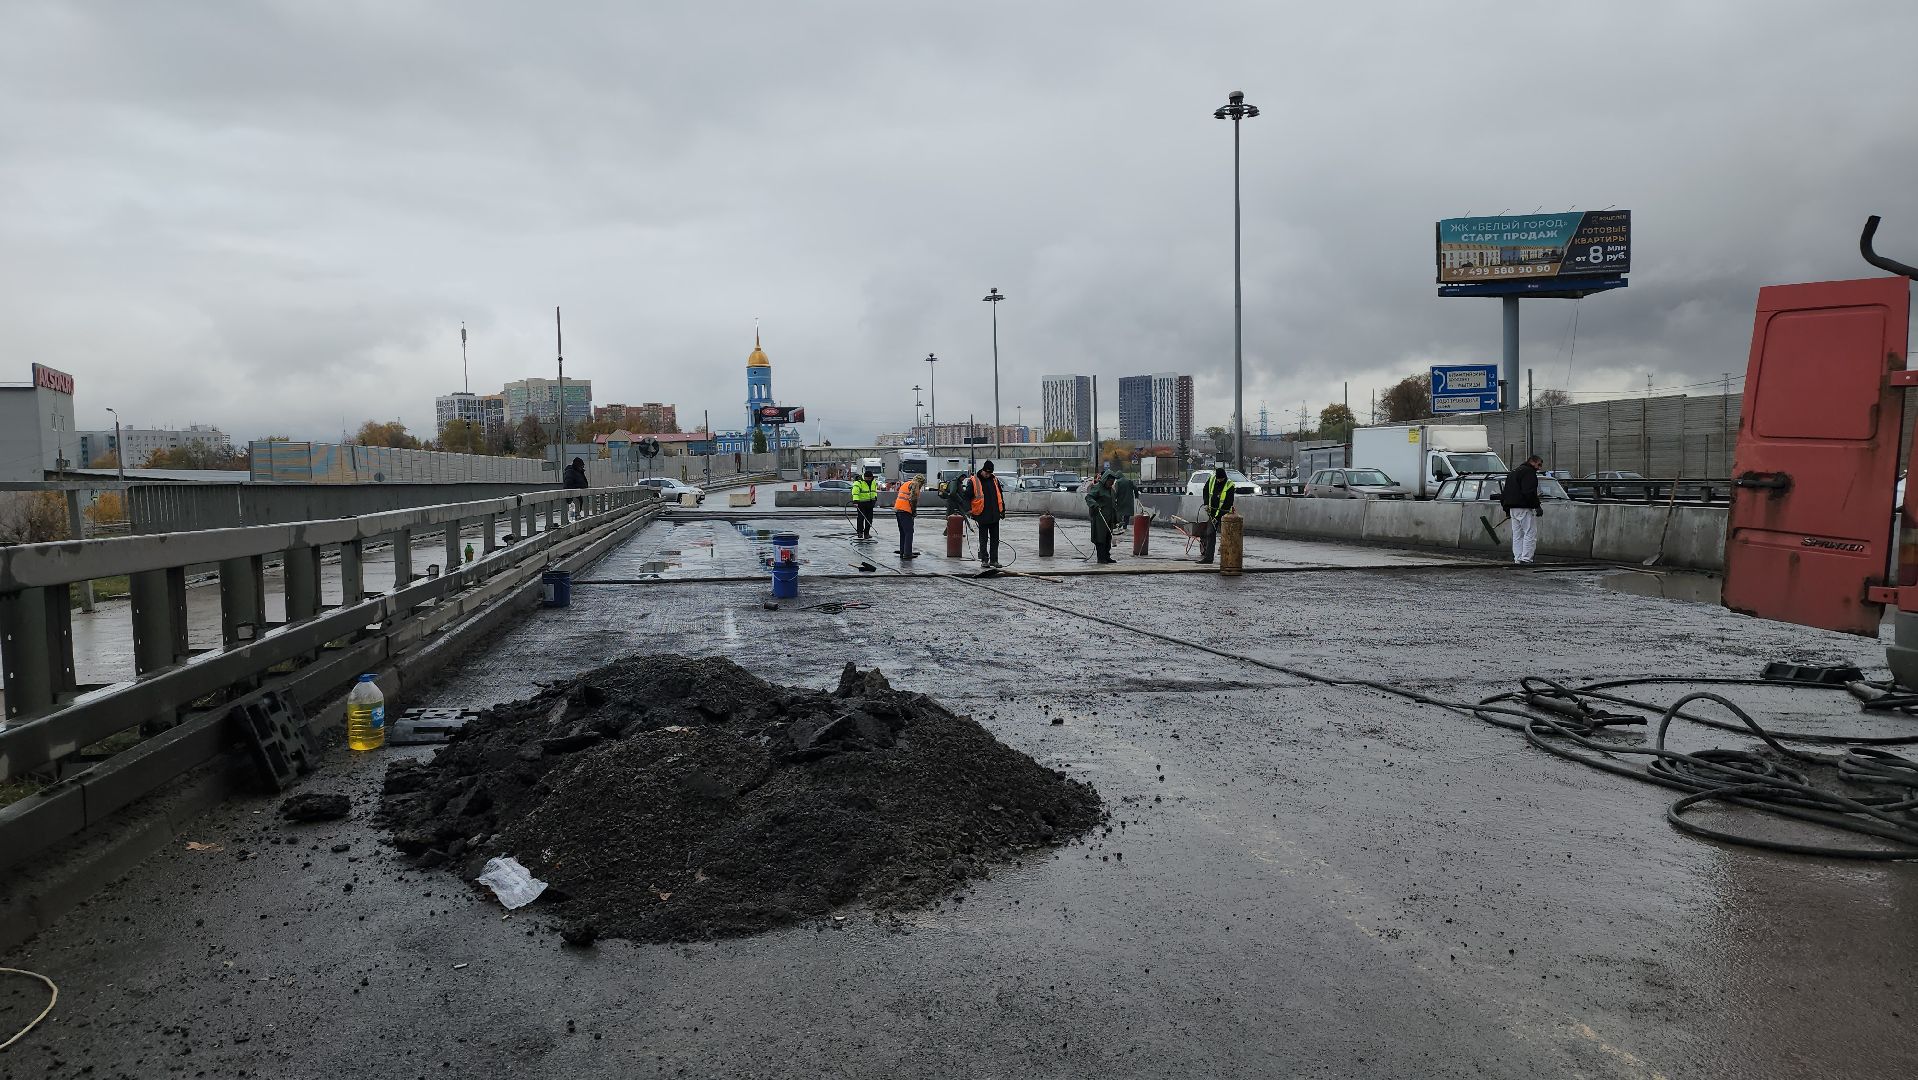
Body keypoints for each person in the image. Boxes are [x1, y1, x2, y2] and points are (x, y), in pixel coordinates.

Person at [1500, 454, 1544, 565]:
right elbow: (1529, 491)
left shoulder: (1513, 472)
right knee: (1530, 533)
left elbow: (1505, 493)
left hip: (1512, 508)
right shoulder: (1529, 473)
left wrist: (1506, 510)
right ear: (1532, 462)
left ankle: (1518, 558)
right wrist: (1537, 505)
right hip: (1524, 507)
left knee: (1517, 535)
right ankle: (1526, 559)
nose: (1539, 468)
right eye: (1538, 465)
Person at [968, 460, 1007, 567]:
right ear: (983, 470)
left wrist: (1002, 510)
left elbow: (1000, 496)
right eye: (986, 473)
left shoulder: (994, 480)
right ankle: (984, 560)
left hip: (995, 515)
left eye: (989, 473)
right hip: (982, 515)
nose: (987, 475)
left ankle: (994, 560)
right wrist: (970, 511)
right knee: (983, 539)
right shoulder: (974, 481)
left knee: (995, 540)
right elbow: (967, 497)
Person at [1198, 466, 1236, 564]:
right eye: (1218, 479)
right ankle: (1208, 558)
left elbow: (1228, 503)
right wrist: (1206, 503)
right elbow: (1205, 491)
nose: (1219, 481)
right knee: (1210, 534)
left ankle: (1229, 558)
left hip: (1224, 515)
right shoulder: (1212, 480)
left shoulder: (1229, 485)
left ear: (1224, 477)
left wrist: (1218, 517)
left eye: (1221, 479)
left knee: (1227, 536)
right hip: (1212, 513)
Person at [1085, 472, 1119, 564]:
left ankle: (1107, 556)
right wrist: (1094, 504)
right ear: (1105, 480)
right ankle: (1101, 558)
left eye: (1113, 482)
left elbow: (1113, 504)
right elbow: (1089, 497)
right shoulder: (1098, 488)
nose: (1111, 484)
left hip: (1109, 517)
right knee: (1100, 538)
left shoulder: (1111, 490)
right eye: (1110, 482)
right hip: (1100, 517)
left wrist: (1116, 518)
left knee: (1108, 537)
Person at [894, 475, 924, 559]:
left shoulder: (906, 484)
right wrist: (914, 511)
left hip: (898, 509)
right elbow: (913, 500)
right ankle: (907, 554)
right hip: (905, 511)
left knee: (903, 532)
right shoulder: (915, 485)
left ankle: (903, 552)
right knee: (909, 532)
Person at [850, 470, 878, 540]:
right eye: (867, 478)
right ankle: (860, 532)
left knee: (869, 519)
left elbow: (874, 491)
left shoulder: (873, 482)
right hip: (861, 503)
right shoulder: (858, 482)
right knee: (861, 518)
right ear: (864, 477)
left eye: (870, 478)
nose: (868, 480)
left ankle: (866, 533)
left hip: (870, 503)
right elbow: (855, 492)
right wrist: (855, 501)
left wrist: (874, 499)